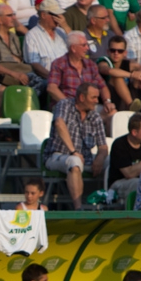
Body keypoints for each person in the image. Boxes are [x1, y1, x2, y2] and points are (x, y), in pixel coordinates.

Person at [44, 82, 108, 210]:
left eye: (97, 97)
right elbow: (59, 123)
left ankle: (109, 201)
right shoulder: (65, 105)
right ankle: (79, 208)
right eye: (93, 97)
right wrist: (73, 151)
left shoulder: (95, 116)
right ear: (82, 98)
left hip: (86, 159)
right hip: (58, 156)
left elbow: (103, 147)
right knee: (75, 160)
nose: (96, 101)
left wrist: (100, 158)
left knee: (114, 161)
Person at [47, 32, 116, 116]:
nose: (87, 48)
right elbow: (51, 88)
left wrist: (107, 101)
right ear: (73, 48)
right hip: (66, 106)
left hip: (89, 105)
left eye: (87, 45)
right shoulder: (59, 64)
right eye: (84, 45)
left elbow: (102, 86)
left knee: (112, 113)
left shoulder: (90, 65)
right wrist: (70, 105)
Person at [0, 4, 39, 89]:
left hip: (21, 71)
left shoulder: (14, 37)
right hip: (4, 76)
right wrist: (14, 74)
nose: (14, 18)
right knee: (39, 83)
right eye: (10, 15)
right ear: (0, 20)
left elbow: (19, 60)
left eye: (14, 15)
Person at [108, 113, 141, 198]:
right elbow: (129, 174)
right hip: (120, 183)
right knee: (140, 183)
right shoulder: (119, 145)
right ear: (134, 132)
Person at [96, 34, 141, 112]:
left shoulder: (127, 64)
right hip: (110, 98)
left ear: (125, 53)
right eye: (113, 50)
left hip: (123, 99)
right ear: (108, 51)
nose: (116, 53)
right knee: (117, 77)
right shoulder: (103, 61)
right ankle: (131, 105)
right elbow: (109, 71)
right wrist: (132, 75)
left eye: (120, 51)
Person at [23, 0, 68, 80]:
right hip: (48, 79)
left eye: (59, 15)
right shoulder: (32, 35)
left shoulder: (62, 31)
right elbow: (34, 64)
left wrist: (65, 26)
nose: (59, 18)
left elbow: (78, 46)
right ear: (43, 15)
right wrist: (53, 78)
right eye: (55, 15)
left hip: (68, 76)